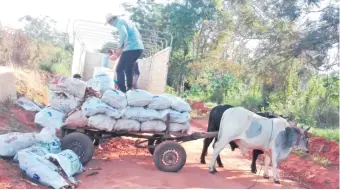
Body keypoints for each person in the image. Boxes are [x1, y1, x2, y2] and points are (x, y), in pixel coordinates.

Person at [105, 13, 144, 93]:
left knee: (119, 69)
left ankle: (122, 90)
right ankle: (129, 89)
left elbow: (124, 34)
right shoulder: (127, 21)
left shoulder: (119, 23)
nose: (111, 25)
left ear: (112, 20)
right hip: (139, 48)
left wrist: (120, 48)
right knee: (128, 68)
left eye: (109, 23)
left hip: (131, 48)